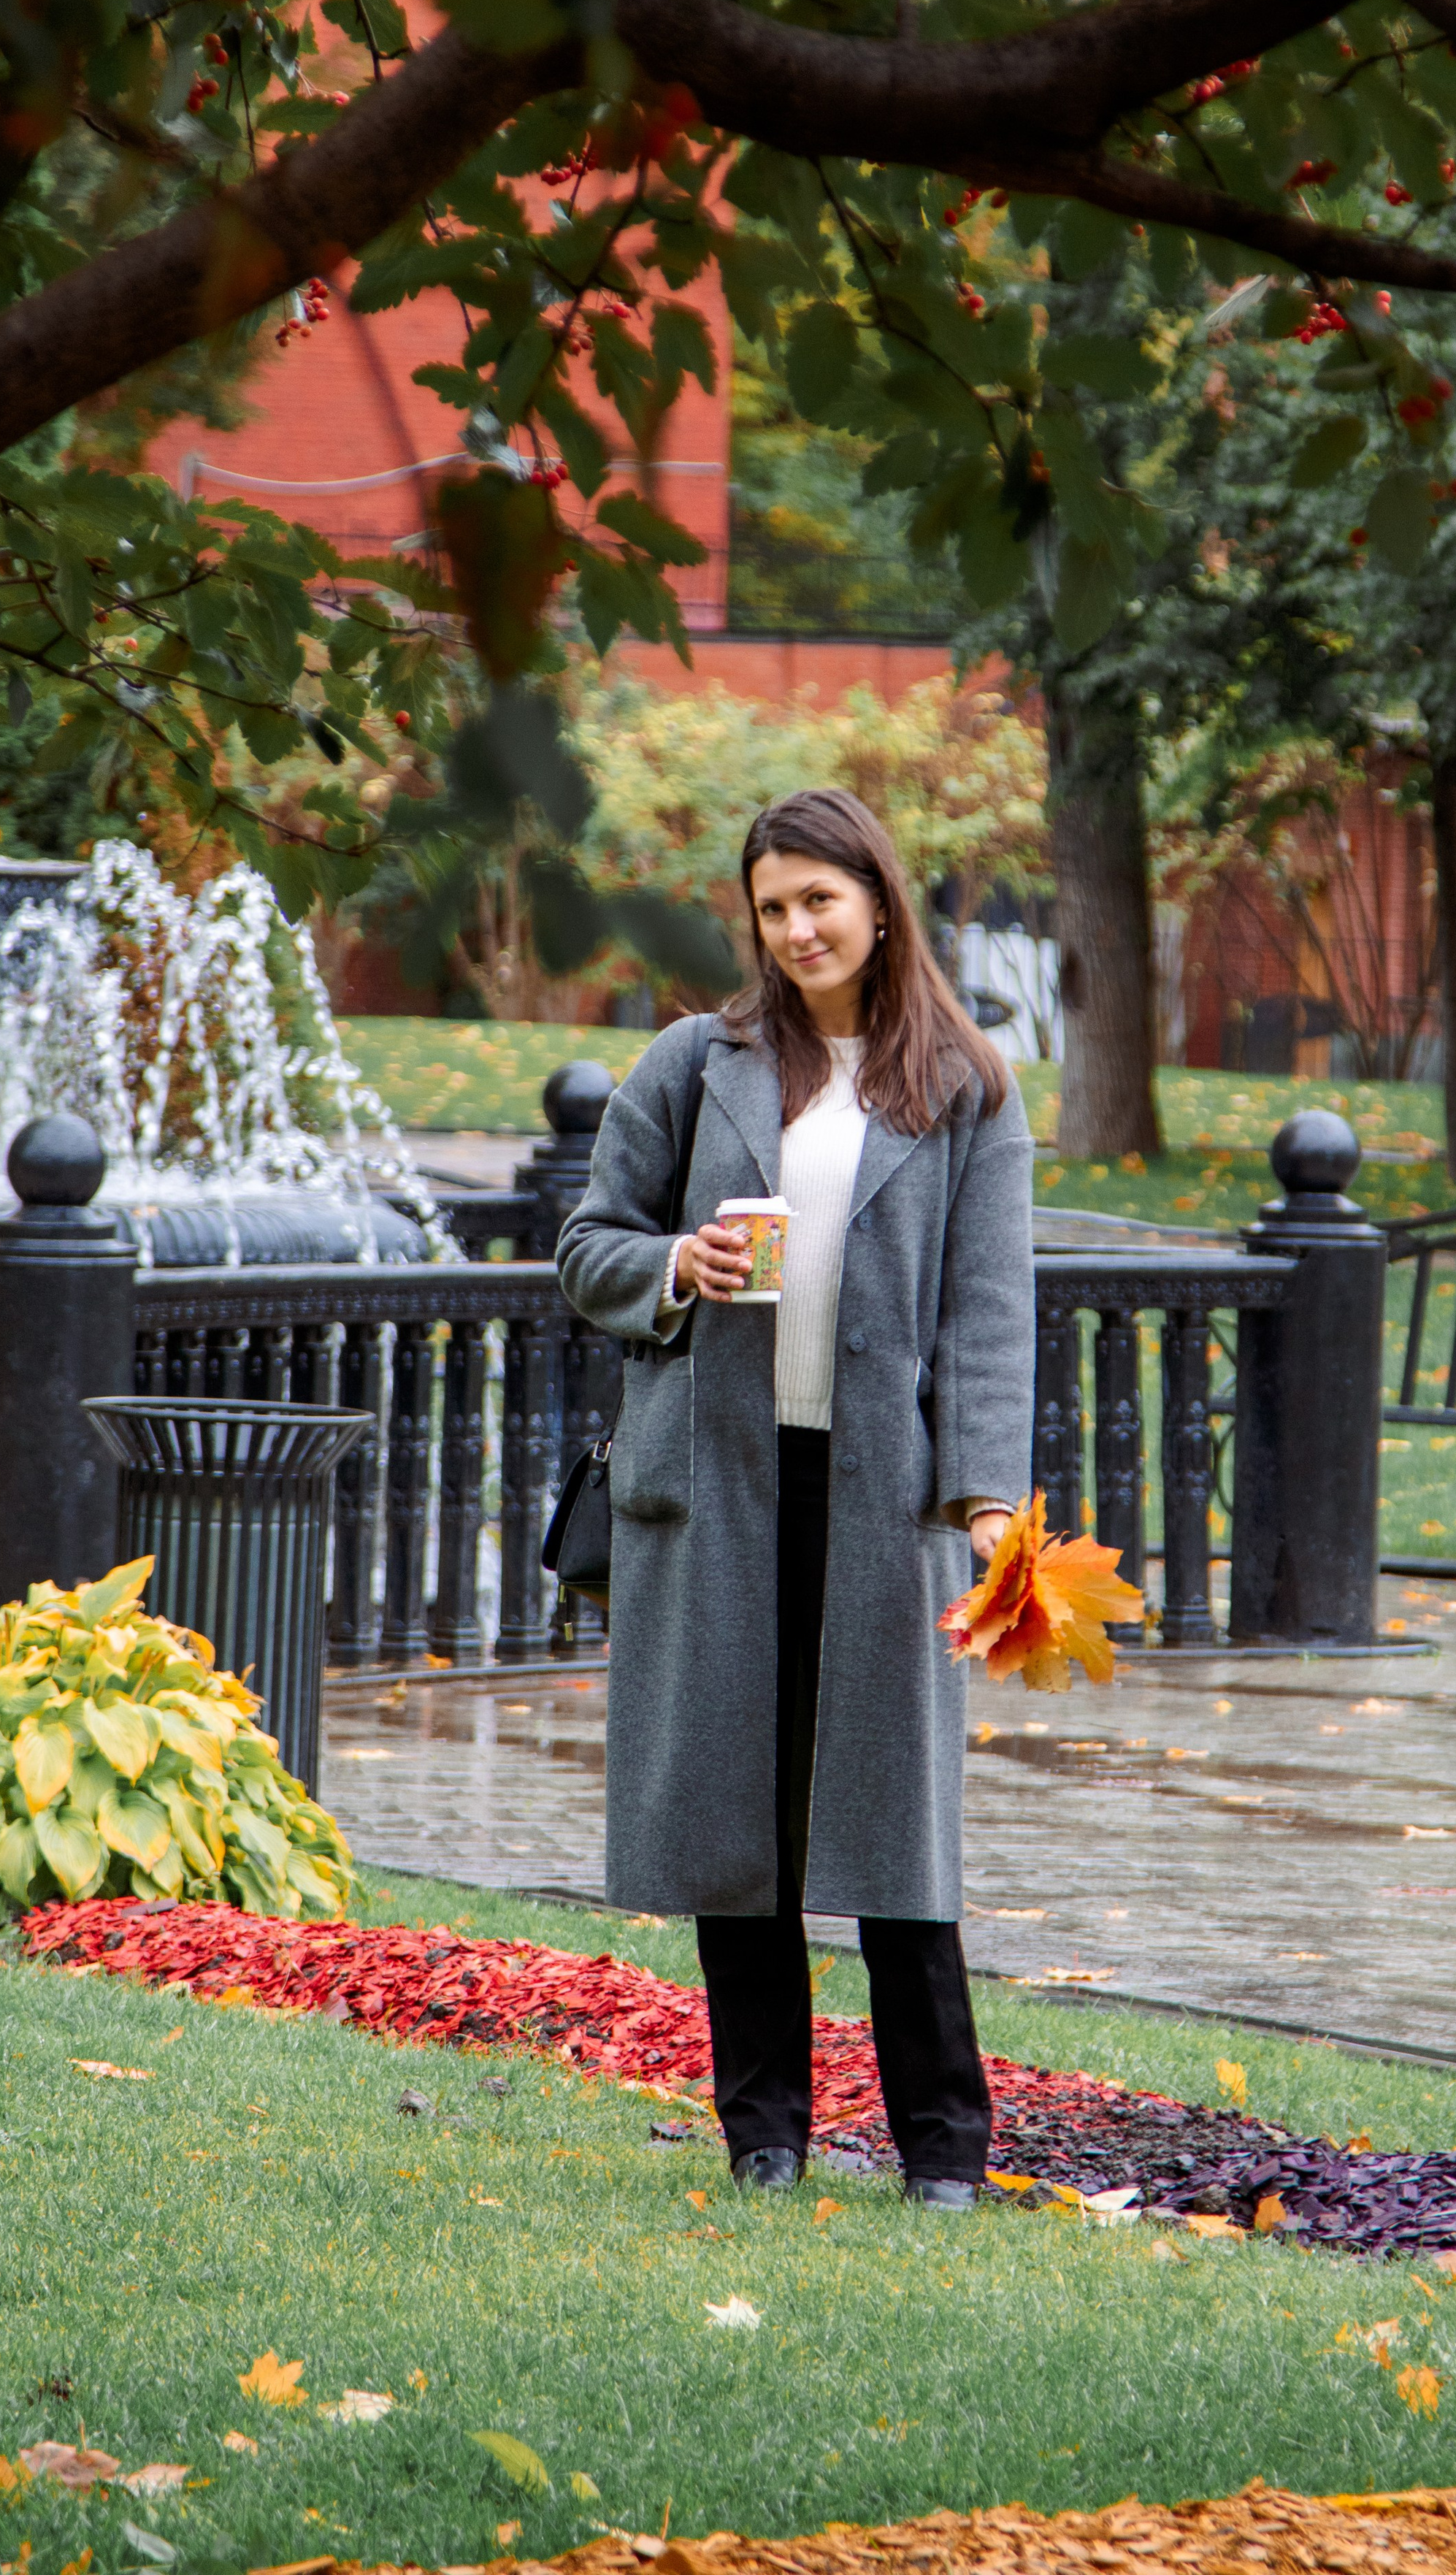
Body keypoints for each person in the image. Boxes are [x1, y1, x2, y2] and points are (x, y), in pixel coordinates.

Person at [556, 788, 1033, 2205]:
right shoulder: (696, 1063)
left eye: (819, 899)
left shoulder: (964, 1088)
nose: (796, 928)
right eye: (771, 907)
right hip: (719, 1485)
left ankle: (941, 2153)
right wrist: (671, 1271)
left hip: (883, 1499)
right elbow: (587, 1244)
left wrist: (990, 1505)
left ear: (878, 901)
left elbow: (989, 1318)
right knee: (735, 1828)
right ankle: (762, 2137)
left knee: (897, 1832)